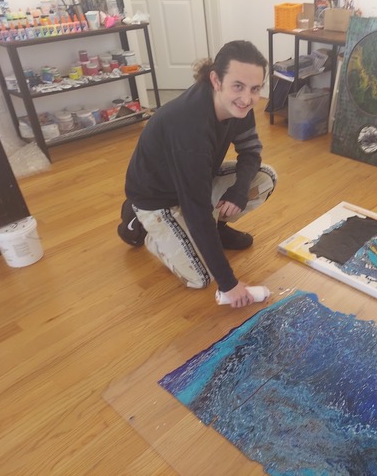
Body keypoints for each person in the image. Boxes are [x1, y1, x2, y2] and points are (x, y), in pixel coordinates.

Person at [117, 40, 277, 308]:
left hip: (194, 181)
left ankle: (216, 229)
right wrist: (229, 284)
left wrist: (238, 191)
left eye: (255, 89)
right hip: (156, 198)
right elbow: (196, 211)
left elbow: (251, 152)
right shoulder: (189, 127)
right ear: (216, 80)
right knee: (200, 278)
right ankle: (143, 226)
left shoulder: (240, 107)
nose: (247, 98)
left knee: (265, 178)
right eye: (238, 86)